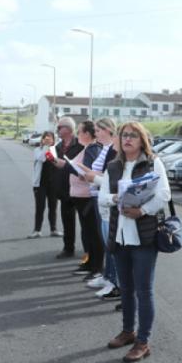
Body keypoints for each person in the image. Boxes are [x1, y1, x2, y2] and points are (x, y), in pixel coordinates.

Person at [97, 122, 170, 363]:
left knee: (144, 290)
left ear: (142, 140)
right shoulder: (113, 166)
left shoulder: (152, 163)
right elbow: (102, 197)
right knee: (126, 289)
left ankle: (143, 341)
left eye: (133, 135)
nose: (127, 139)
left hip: (144, 236)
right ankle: (128, 331)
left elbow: (164, 195)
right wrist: (115, 198)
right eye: (124, 135)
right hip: (119, 236)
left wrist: (143, 210)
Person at [64, 120, 103, 284]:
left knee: (93, 234)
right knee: (88, 233)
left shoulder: (93, 148)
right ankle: (90, 264)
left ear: (87, 134)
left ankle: (96, 267)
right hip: (81, 197)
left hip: (88, 196)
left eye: (79, 131)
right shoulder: (87, 148)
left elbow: (91, 172)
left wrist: (77, 169)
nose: (77, 135)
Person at [84, 118, 120, 298]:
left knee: (110, 244)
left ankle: (114, 281)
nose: (95, 133)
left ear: (108, 130)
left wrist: (93, 177)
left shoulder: (113, 148)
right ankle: (108, 276)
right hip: (100, 198)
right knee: (106, 243)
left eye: (98, 130)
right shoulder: (106, 148)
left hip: (106, 200)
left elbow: (109, 178)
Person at [50, 117, 84, 259]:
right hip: (64, 190)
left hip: (81, 189)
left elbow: (83, 167)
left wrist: (65, 165)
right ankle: (68, 248)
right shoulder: (57, 147)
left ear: (69, 129)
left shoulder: (81, 145)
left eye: (59, 127)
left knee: (86, 223)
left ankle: (89, 252)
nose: (57, 130)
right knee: (67, 221)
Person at [29, 131, 58, 238]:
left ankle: (53, 229)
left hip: (53, 184)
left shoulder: (56, 150)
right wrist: (46, 147)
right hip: (40, 184)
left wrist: (50, 148)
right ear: (42, 140)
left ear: (53, 140)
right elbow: (42, 158)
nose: (47, 140)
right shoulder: (38, 150)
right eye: (45, 138)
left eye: (49, 138)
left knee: (53, 207)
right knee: (40, 207)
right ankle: (37, 230)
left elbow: (57, 162)